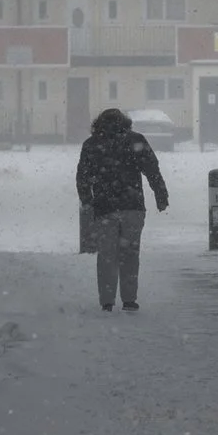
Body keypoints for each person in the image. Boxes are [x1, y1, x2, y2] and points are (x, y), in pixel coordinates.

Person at [75, 105, 169, 313]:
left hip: (105, 208)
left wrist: (87, 200)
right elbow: (152, 169)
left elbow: (82, 176)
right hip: (132, 206)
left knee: (107, 255)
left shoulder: (92, 144)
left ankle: (107, 301)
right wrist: (160, 194)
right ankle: (129, 299)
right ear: (124, 123)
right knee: (130, 254)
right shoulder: (135, 140)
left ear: (99, 124)